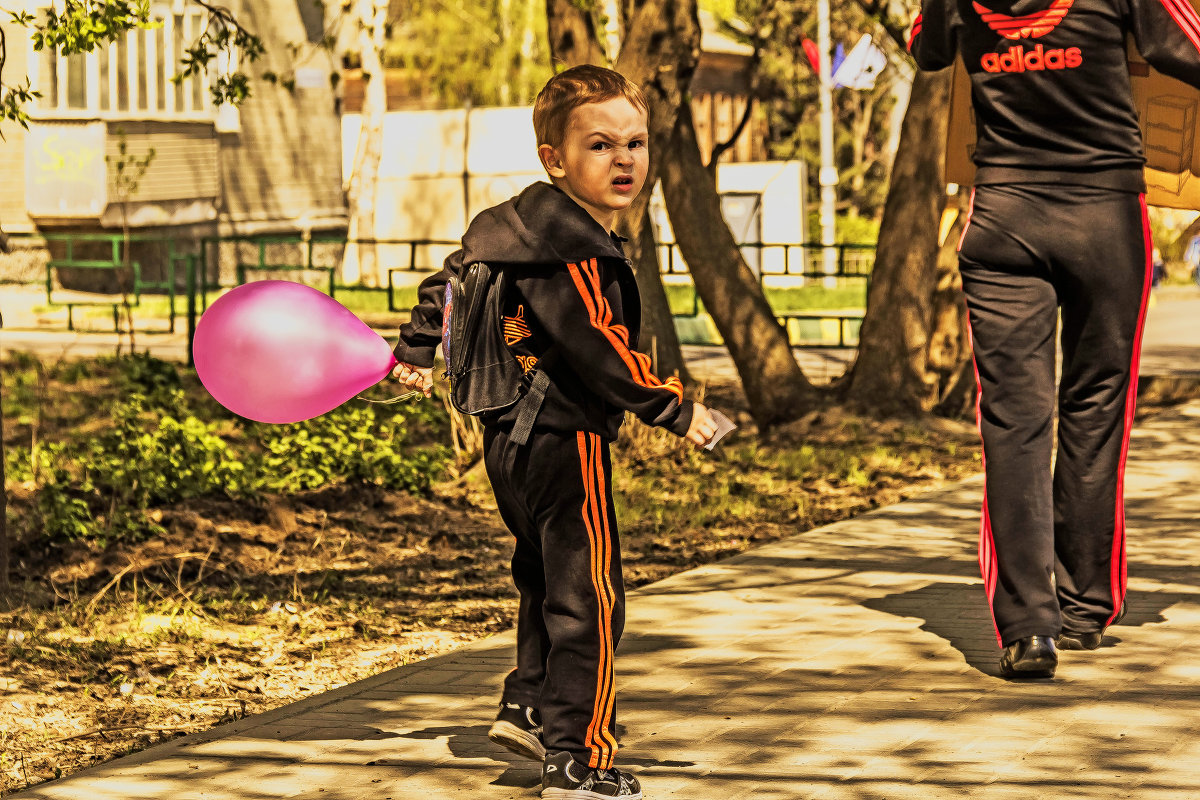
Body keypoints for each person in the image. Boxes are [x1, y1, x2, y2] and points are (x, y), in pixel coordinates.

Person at [391, 64, 718, 799]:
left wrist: (416, 348)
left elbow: (448, 283)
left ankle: (529, 700)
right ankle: (580, 759)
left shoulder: (502, 226)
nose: (625, 160)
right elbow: (600, 347)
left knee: (543, 579)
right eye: (600, 146)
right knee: (591, 599)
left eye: (635, 143)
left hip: (507, 442)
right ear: (555, 159)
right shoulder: (572, 246)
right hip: (565, 442)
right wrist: (676, 407)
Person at [908, 3, 1200, 678]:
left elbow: (925, 50)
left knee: (1014, 423)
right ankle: (1083, 607)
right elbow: (1187, 47)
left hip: (1004, 216)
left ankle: (1026, 629)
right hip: (1105, 218)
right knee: (1098, 410)